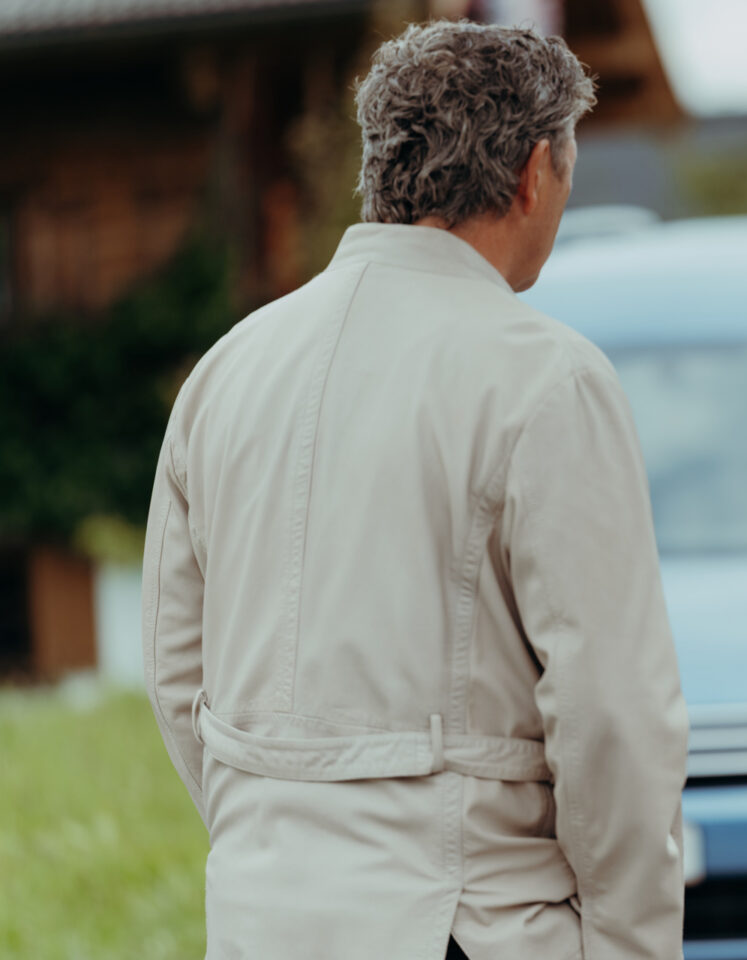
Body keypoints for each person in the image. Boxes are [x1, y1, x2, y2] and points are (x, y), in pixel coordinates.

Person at [141, 21, 687, 960]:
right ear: (535, 171)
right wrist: (633, 944)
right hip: (465, 919)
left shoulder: (226, 370)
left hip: (258, 916)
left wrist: (276, 827)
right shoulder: (547, 376)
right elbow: (612, 715)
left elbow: (174, 672)